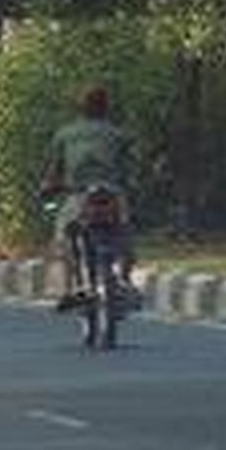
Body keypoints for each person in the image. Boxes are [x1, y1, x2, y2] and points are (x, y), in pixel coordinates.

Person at [41, 86, 138, 311]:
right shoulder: (117, 134)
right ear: (106, 108)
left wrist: (48, 187)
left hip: (79, 194)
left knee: (65, 236)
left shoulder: (65, 134)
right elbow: (129, 169)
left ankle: (70, 287)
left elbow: (54, 170)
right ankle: (124, 278)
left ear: (80, 108)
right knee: (125, 233)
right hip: (112, 192)